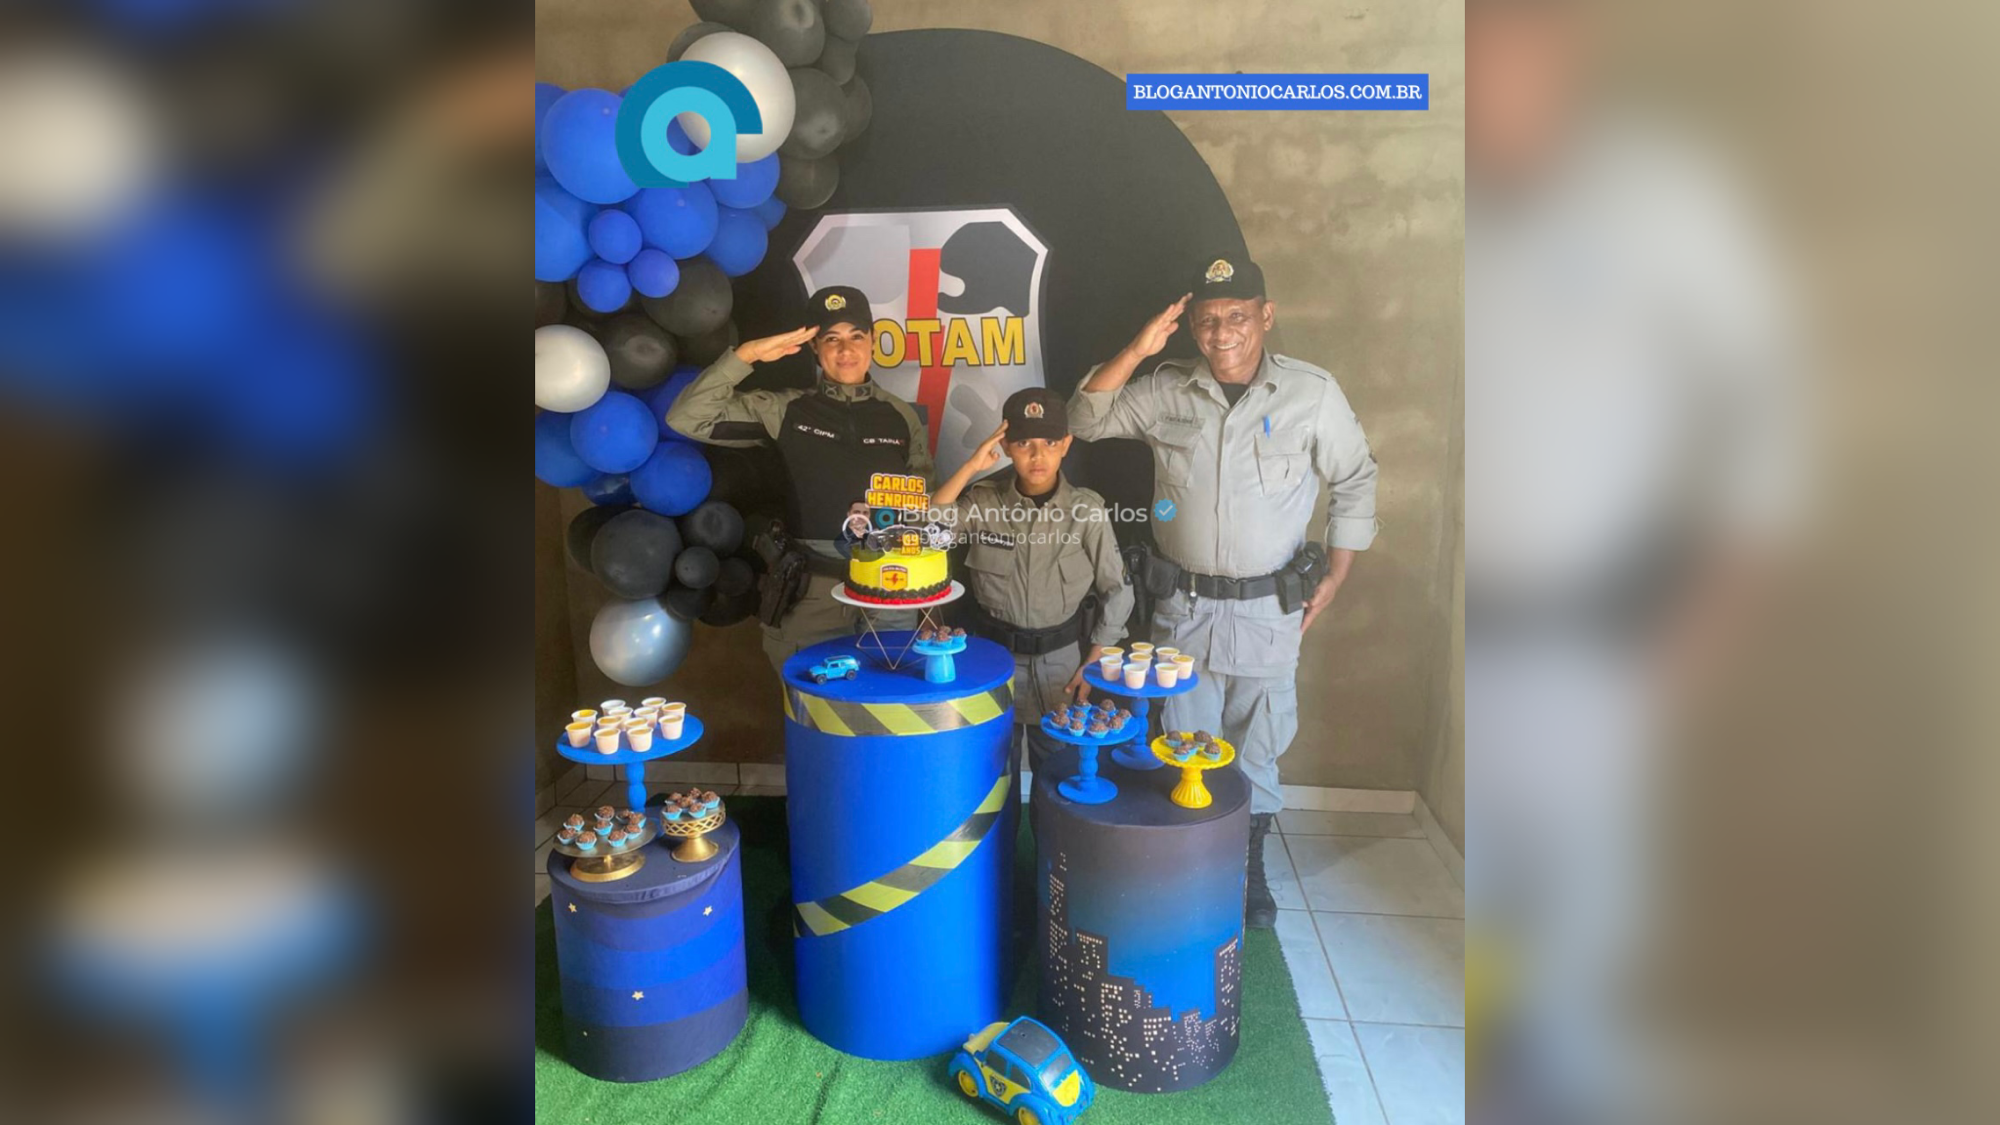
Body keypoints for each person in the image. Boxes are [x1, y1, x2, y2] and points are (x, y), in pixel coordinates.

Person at [1067, 255, 1379, 928]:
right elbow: (1085, 419)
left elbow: (1356, 477)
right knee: (1184, 738)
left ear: (1265, 315)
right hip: (1184, 606)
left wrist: (1338, 573)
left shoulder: (1311, 394)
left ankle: (1247, 867)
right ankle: (1191, 865)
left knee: (1258, 738)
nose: (1222, 332)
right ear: (1191, 328)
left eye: (1237, 315)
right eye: (1207, 320)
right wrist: (1138, 350)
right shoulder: (1165, 389)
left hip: (1270, 606)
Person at [666, 286, 933, 672]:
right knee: (814, 702)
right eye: (832, 338)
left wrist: (923, 590)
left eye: (857, 336)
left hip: (889, 586)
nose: (846, 350)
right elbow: (686, 418)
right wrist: (746, 356)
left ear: (873, 341)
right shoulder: (786, 409)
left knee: (893, 700)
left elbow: (922, 501)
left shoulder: (900, 416)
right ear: (814, 347)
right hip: (813, 595)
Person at [931, 387, 1135, 776]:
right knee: (989, 772)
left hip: (1061, 669)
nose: (1038, 455)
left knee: (1058, 773)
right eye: (1024, 443)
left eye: (1050, 443)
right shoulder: (983, 503)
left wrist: (1093, 663)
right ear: (1006, 446)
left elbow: (1118, 591)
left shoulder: (1086, 511)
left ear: (1066, 445)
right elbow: (932, 530)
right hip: (993, 663)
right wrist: (972, 466)